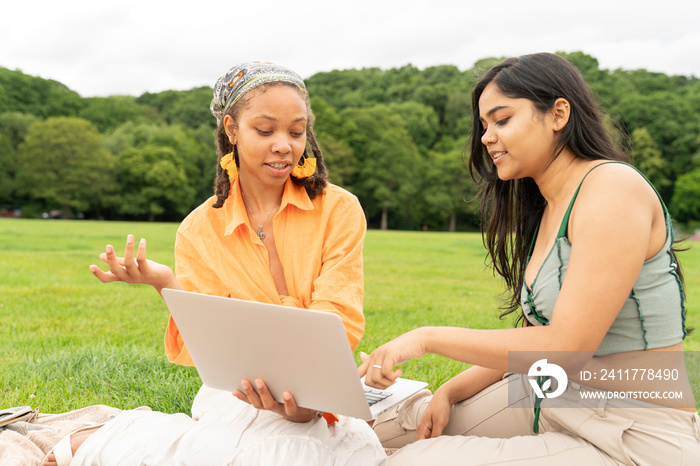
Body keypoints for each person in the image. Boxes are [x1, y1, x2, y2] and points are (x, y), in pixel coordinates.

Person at [359, 53, 700, 465]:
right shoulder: (549, 207)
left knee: (414, 460)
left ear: (558, 114)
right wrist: (451, 391)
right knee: (383, 429)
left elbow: (565, 347)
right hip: (554, 395)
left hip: (635, 433)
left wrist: (426, 337)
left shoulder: (612, 188)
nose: (486, 137)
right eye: (484, 126)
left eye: (501, 120)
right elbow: (533, 338)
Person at [42, 62, 385, 465]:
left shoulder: (340, 209)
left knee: (359, 454)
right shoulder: (198, 228)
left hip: (320, 390)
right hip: (239, 393)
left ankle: (122, 440)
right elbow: (214, 342)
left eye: (296, 131)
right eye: (265, 130)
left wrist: (307, 397)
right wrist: (163, 281)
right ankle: (112, 438)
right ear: (232, 129)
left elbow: (338, 315)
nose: (284, 145)